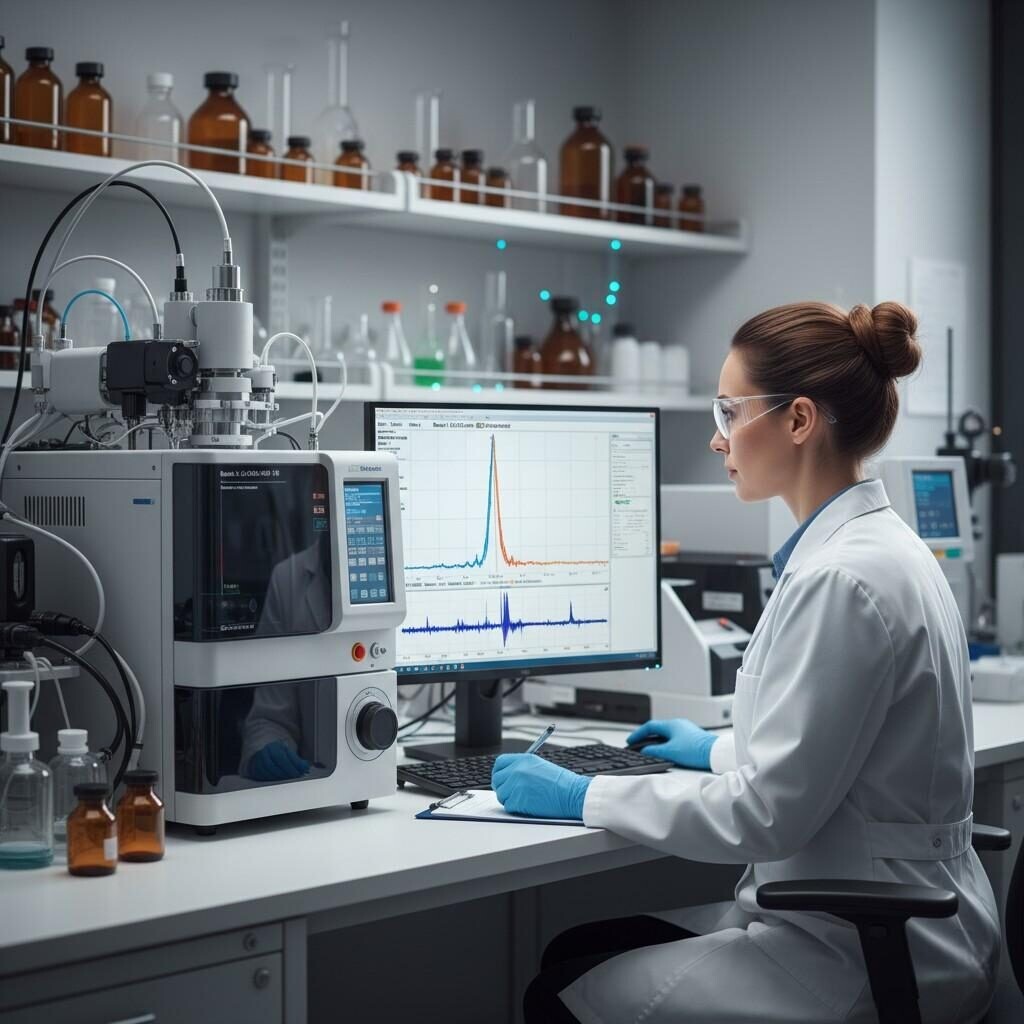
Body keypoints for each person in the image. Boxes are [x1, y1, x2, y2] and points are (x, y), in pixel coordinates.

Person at [491, 301, 1001, 1023]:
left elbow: (765, 817)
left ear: (798, 421)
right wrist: (717, 749)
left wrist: (583, 796)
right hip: (892, 918)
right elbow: (840, 750)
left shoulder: (843, 580)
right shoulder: (881, 549)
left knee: (559, 995)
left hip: (863, 951)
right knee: (575, 951)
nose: (716, 437)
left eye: (731, 412)